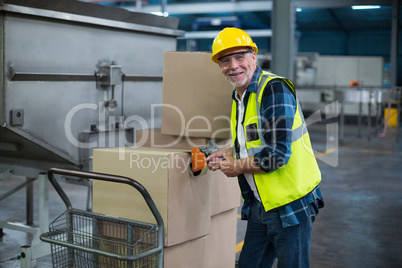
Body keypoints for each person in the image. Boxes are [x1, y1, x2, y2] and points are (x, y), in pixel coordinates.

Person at [206, 27, 324, 268]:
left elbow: (277, 155)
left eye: (240, 57)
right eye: (225, 60)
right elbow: (255, 141)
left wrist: (236, 167)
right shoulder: (240, 96)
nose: (233, 65)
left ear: (253, 57)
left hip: (290, 204)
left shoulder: (272, 89)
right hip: (262, 204)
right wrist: (228, 153)